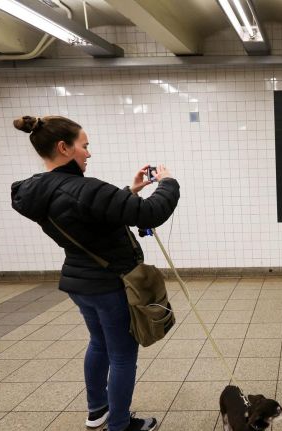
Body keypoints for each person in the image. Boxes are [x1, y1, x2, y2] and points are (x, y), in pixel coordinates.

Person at [10, 115, 180, 431]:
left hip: (80, 282)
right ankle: (119, 425)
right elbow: (152, 212)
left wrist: (130, 190)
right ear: (64, 147)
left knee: (99, 343)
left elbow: (84, 214)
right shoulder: (84, 188)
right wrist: (168, 182)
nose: (89, 153)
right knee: (122, 355)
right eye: (84, 146)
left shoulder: (37, 190)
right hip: (110, 285)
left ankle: (97, 411)